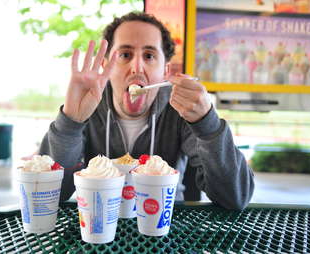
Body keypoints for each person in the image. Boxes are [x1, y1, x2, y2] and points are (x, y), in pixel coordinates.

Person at [39, 12, 254, 210]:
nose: (137, 68)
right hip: (97, 224)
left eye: (149, 56)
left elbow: (235, 197)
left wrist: (207, 124)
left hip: (167, 231)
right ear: (106, 66)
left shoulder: (181, 111)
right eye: (124, 54)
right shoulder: (89, 107)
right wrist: (70, 123)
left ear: (165, 71)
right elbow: (49, 195)